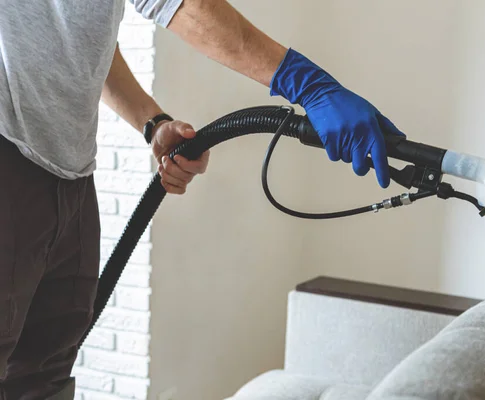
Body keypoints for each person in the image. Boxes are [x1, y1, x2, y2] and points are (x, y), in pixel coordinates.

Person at [0, 0, 404, 398]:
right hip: (9, 159)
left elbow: (75, 35)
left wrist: (152, 122)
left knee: (43, 375)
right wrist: (310, 85)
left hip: (67, 177)